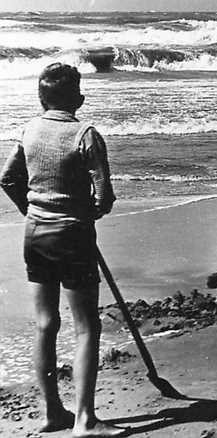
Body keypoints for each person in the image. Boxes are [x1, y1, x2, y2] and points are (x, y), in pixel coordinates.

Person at [0, 63, 125, 437]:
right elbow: (104, 196)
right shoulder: (85, 134)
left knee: (45, 324)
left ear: (41, 97)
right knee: (87, 326)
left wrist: (31, 208)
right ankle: (85, 420)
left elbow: (7, 177)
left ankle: (52, 411)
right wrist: (86, 212)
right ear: (78, 98)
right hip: (72, 235)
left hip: (35, 233)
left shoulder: (28, 130)